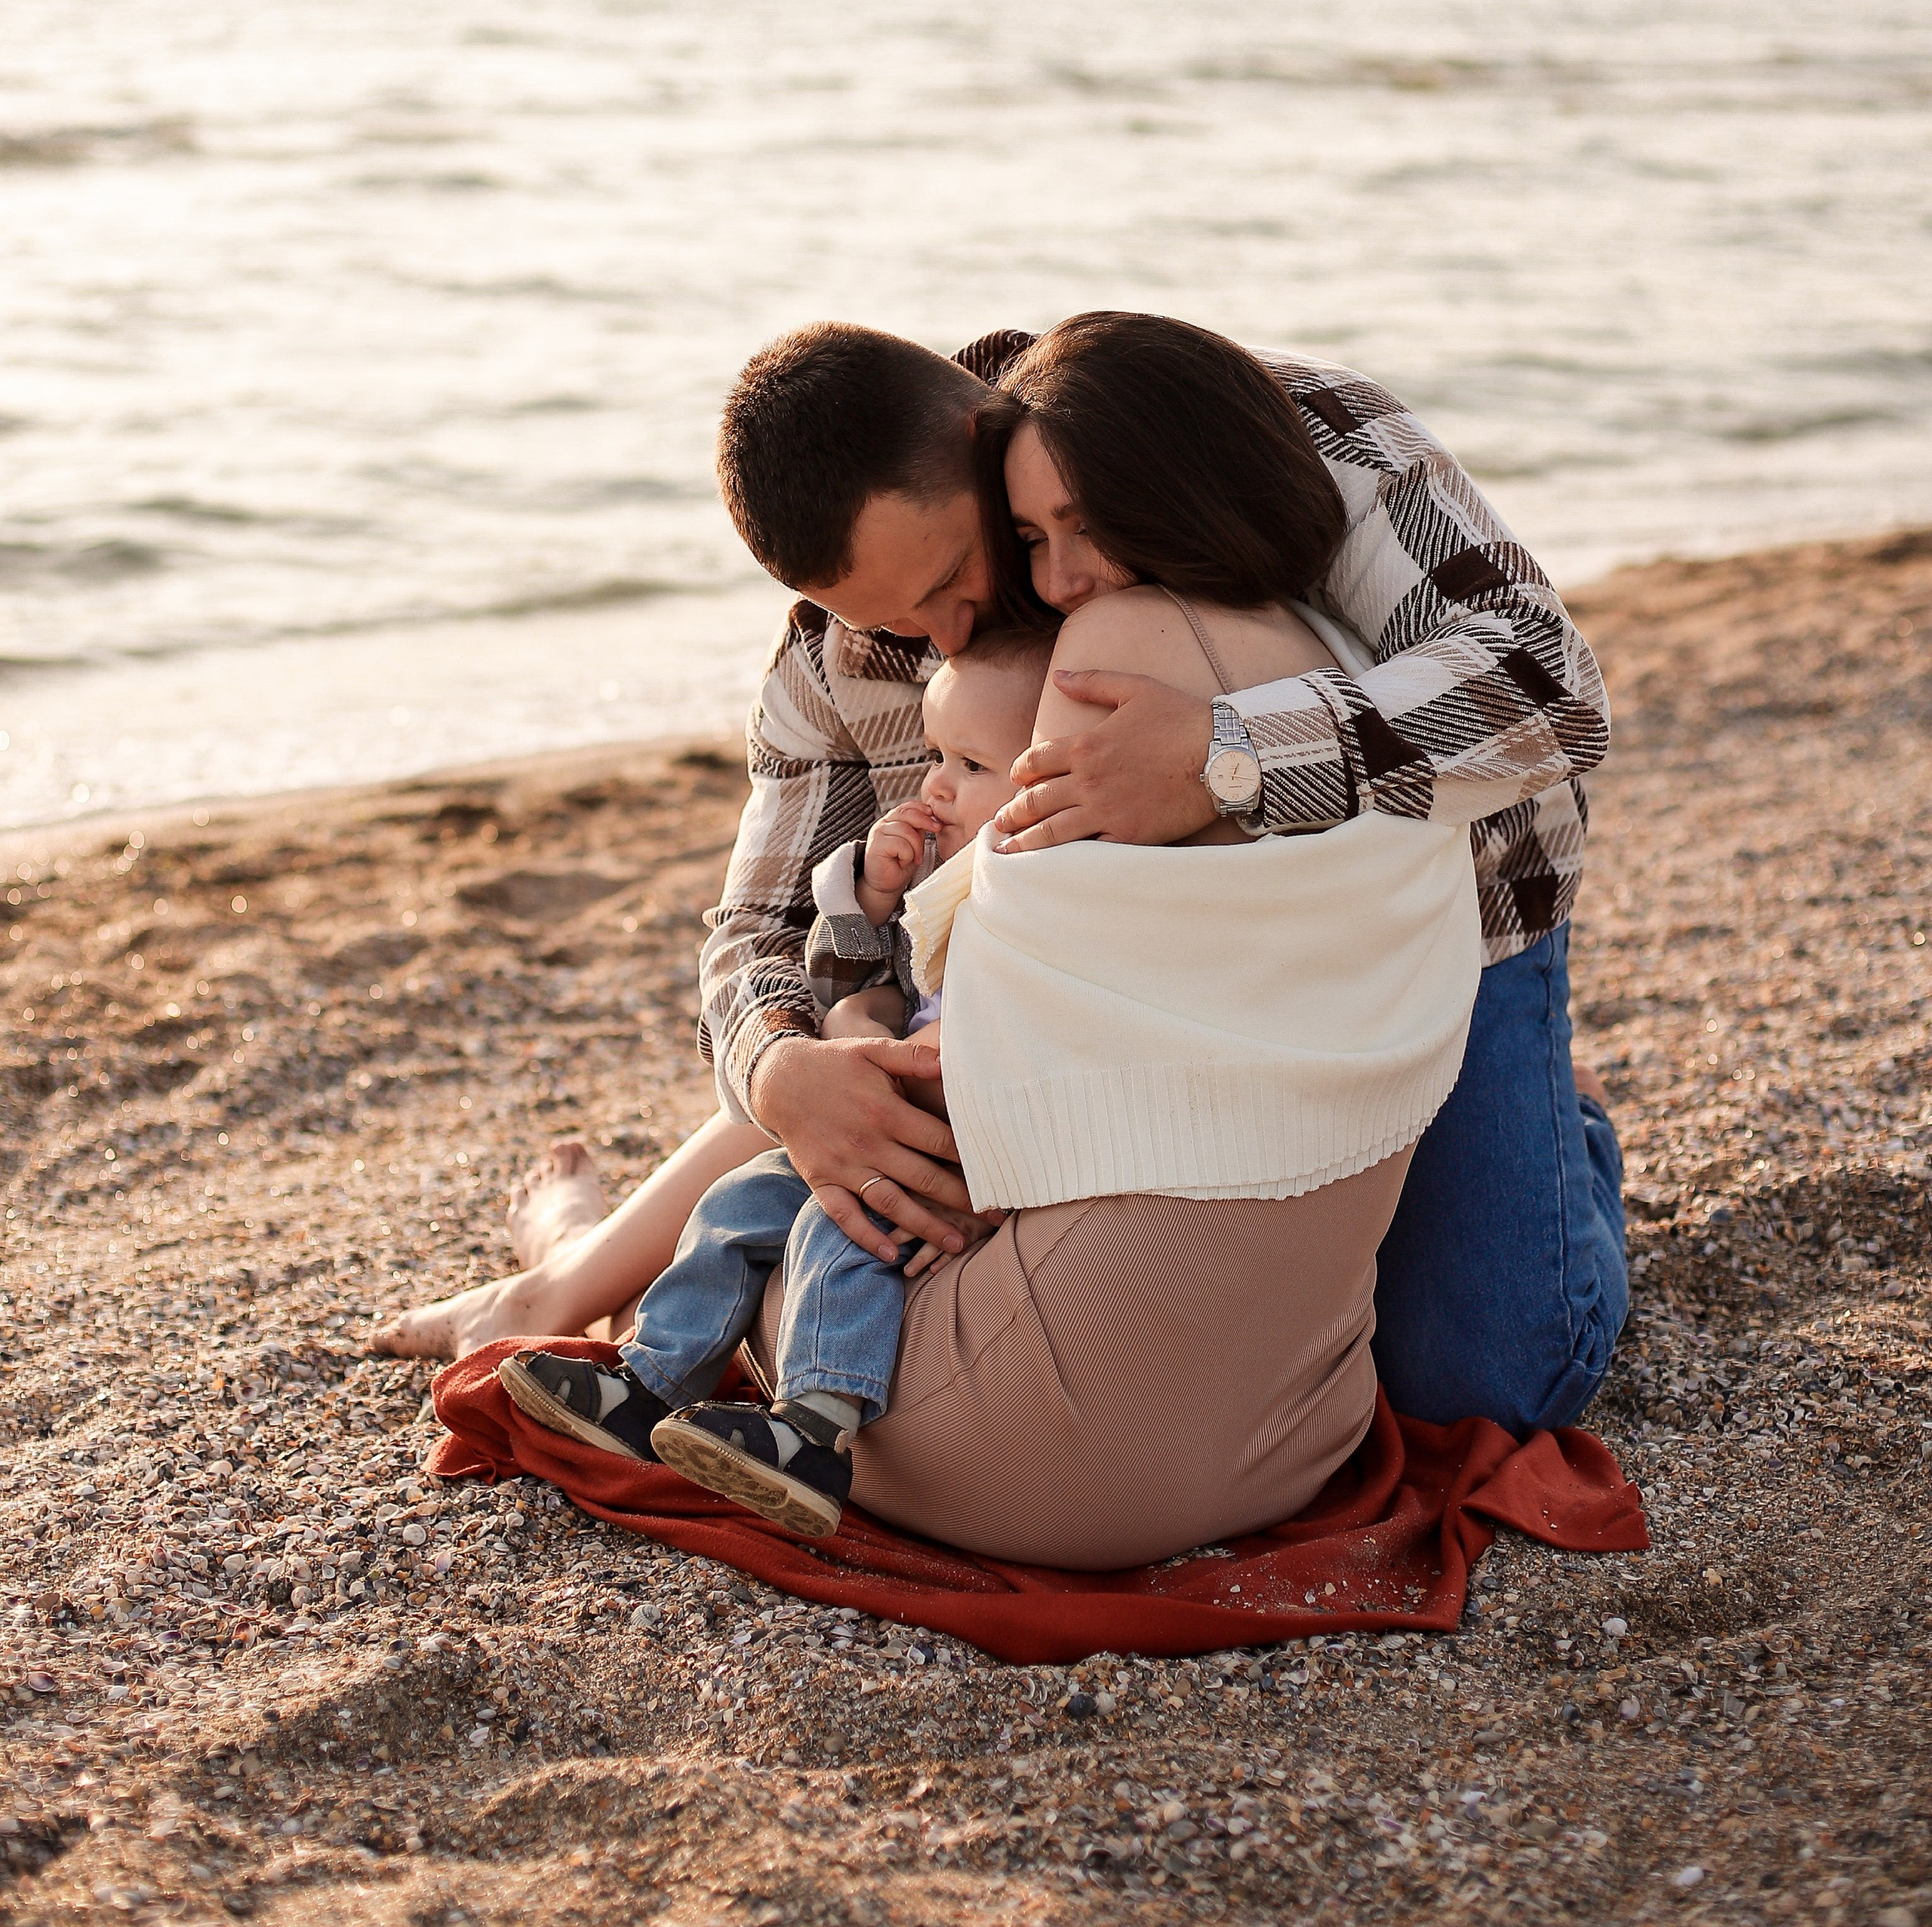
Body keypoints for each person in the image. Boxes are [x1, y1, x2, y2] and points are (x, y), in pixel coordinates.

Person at [377, 310, 1623, 1449]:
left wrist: (1223, 755)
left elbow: (1551, 688)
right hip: (1102, 1014)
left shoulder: (1256, 433)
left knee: (1484, 1387)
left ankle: (1555, 1126)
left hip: (1440, 937)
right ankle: (561, 1277)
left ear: (984, 444)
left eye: (946, 585)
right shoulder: (844, 648)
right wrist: (779, 1070)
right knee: (841, 1193)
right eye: (893, 623)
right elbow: (760, 926)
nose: (944, 642)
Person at [495, 626, 1050, 1539]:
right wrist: (869, 903)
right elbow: (850, 985)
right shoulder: (946, 886)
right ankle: (650, 1379)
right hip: (882, 1115)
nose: (936, 787)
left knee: (841, 1234)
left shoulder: (1050, 891)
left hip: (957, 1154)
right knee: (735, 1203)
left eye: (972, 765)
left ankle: (815, 1429)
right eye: (936, 755)